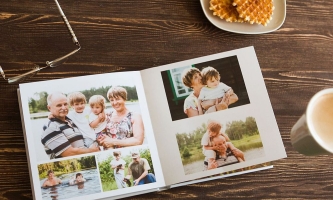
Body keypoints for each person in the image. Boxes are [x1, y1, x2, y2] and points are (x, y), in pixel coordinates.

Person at [41, 92, 99, 159]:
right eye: (59, 105)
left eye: (65, 104)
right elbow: (69, 153)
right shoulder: (50, 127)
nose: (64, 107)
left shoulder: (71, 120)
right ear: (49, 108)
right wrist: (92, 151)